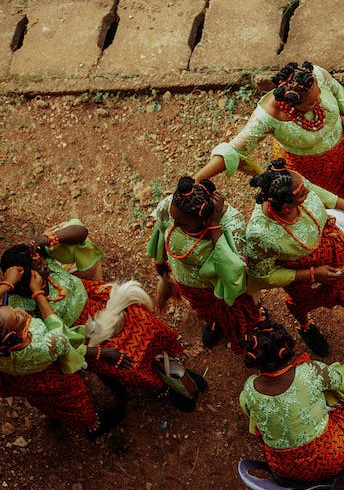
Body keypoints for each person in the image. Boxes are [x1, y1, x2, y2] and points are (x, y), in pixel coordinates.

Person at [1, 224, 202, 410]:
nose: (45, 266)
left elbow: (81, 232)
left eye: (42, 260)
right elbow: (59, 342)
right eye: (36, 270)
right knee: (130, 361)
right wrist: (101, 353)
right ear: (20, 284)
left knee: (150, 327)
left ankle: (171, 366)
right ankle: (162, 387)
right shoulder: (20, 311)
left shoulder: (45, 261)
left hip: (101, 301)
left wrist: (41, 240)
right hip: (84, 335)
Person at [194, 60, 344, 231]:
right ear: (291, 104)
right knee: (327, 217)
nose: (318, 102)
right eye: (310, 103)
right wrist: (197, 179)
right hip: (309, 173)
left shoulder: (314, 74)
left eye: (318, 95)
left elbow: (335, 89)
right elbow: (233, 151)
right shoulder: (267, 117)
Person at [244, 159, 344, 357]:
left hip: (336, 246)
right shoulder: (259, 234)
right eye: (302, 194)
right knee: (300, 303)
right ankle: (305, 324)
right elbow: (264, 275)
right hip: (303, 276)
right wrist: (312, 274)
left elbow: (313, 188)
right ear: (285, 208)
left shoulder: (295, 186)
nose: (308, 192)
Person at [238, 319, 344, 482]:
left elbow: (251, 414)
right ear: (286, 347)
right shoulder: (311, 371)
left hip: (282, 468)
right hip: (329, 459)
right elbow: (339, 381)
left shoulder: (249, 389)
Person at [0, 268, 124, 438]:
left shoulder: (5, 348)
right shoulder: (42, 346)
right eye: (16, 317)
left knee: (46, 402)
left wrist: (7, 285)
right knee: (74, 400)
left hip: (26, 385)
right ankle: (93, 425)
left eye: (11, 307)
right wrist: (38, 293)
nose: (20, 311)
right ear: (12, 336)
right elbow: (59, 332)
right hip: (54, 381)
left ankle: (56, 416)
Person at [147, 176, 261, 352]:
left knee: (233, 314)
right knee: (207, 312)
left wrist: (214, 226)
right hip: (189, 284)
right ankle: (214, 322)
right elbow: (161, 232)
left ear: (204, 220)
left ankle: (237, 330)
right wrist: (160, 260)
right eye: (174, 218)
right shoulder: (170, 207)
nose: (174, 224)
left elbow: (230, 270)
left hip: (218, 289)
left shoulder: (231, 225)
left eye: (182, 223)